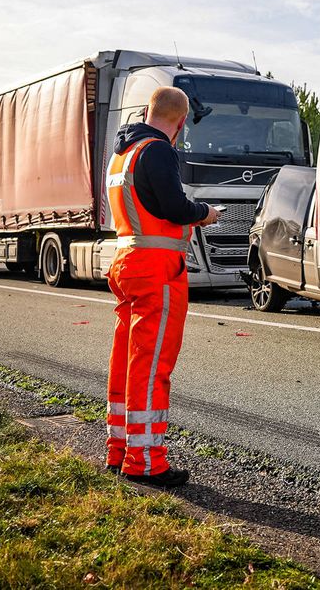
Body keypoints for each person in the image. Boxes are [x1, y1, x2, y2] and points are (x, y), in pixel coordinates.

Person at [104, 86, 220, 486]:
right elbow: (173, 207)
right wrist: (206, 213)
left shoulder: (122, 154)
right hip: (157, 268)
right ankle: (146, 462)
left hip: (126, 262)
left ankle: (119, 449)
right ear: (181, 121)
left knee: (126, 359)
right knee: (152, 365)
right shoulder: (158, 150)